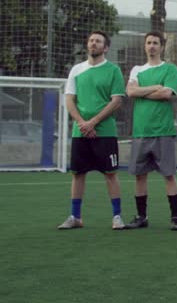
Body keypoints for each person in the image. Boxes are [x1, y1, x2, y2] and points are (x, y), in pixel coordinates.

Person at [58, 31, 126, 230]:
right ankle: (75, 217)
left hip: (105, 132)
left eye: (98, 41)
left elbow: (117, 101)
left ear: (105, 48)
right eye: (91, 40)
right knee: (78, 174)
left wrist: (93, 122)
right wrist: (83, 123)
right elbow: (70, 100)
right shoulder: (76, 70)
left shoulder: (113, 70)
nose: (93, 43)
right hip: (81, 132)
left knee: (111, 174)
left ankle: (117, 217)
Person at [123, 31, 177, 231]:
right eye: (148, 42)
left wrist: (142, 91)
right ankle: (141, 217)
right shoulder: (136, 69)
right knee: (140, 176)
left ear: (162, 46)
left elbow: (166, 93)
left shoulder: (170, 69)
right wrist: (154, 87)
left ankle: (175, 218)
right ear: (144, 46)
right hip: (140, 131)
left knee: (169, 175)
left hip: (163, 131)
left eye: (155, 43)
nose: (152, 46)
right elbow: (130, 92)